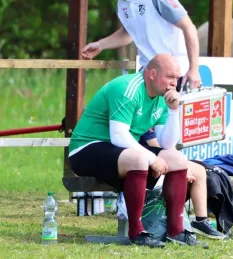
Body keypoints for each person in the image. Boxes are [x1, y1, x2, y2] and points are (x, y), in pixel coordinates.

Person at [68, 54, 206, 248]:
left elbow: (166, 144)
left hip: (118, 151)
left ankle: (176, 231)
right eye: (170, 77)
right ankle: (137, 232)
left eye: (177, 78)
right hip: (86, 149)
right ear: (152, 74)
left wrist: (174, 110)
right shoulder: (128, 88)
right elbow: (118, 136)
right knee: (139, 158)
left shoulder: (161, 97)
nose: (174, 83)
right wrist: (151, 158)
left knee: (179, 160)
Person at [81, 0, 201, 89]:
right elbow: (129, 34)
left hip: (174, 76)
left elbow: (188, 27)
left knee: (172, 111)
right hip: (147, 75)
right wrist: (100, 45)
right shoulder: (122, 3)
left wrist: (194, 69)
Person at [139, 130, 226, 240]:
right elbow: (154, 144)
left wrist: (182, 164)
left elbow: (169, 147)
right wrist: (179, 165)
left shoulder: (165, 115)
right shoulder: (147, 116)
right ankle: (173, 228)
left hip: (161, 155)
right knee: (182, 168)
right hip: (145, 156)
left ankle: (201, 221)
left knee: (199, 171)